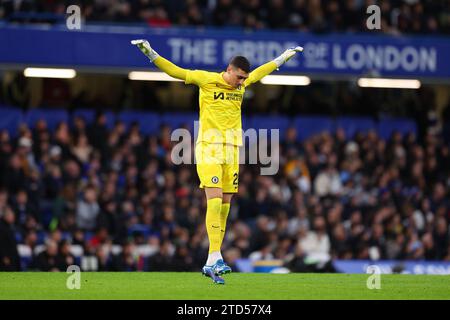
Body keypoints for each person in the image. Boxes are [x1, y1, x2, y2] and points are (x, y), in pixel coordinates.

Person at [132, 39, 303, 284]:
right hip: (209, 149)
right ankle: (214, 255)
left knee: (224, 206)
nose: (243, 82)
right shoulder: (206, 79)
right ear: (229, 70)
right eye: (240, 77)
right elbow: (175, 71)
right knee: (213, 201)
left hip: (233, 152)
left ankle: (213, 259)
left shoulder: (242, 86)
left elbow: (261, 71)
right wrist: (149, 52)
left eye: (245, 79)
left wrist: (283, 58)